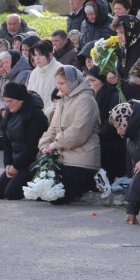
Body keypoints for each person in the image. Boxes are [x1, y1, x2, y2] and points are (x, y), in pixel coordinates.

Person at [36, 64, 102, 203]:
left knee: (56, 197)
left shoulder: (86, 100)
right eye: (57, 83)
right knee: (41, 185)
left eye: (61, 83)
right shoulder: (62, 100)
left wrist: (54, 145)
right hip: (63, 157)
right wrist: (44, 146)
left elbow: (78, 132)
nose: (58, 87)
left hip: (82, 159)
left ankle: (92, 182)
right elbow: (52, 129)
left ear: (72, 82)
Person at [0, 82, 49, 200]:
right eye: (6, 101)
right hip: (16, 161)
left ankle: (36, 185)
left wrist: (16, 167)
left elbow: (33, 147)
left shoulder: (35, 115)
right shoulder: (10, 113)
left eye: (10, 101)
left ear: (20, 99)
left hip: (30, 162)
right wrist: (8, 164)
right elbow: (7, 142)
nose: (7, 105)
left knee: (11, 194)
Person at [110, 14, 140, 101]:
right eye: (117, 33)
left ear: (131, 30)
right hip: (127, 97)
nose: (119, 36)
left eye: (121, 32)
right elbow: (123, 71)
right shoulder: (126, 46)